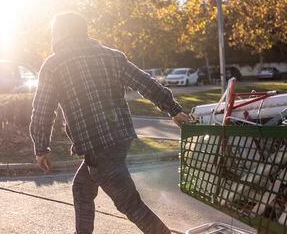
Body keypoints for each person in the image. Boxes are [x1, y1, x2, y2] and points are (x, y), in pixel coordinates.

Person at [29, 12, 190, 234]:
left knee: (129, 204)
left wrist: (41, 148)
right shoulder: (112, 56)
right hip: (119, 138)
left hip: (97, 144)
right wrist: (173, 109)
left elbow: (43, 111)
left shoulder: (54, 65)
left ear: (63, 33)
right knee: (82, 189)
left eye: (54, 31)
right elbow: (145, 82)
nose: (53, 36)